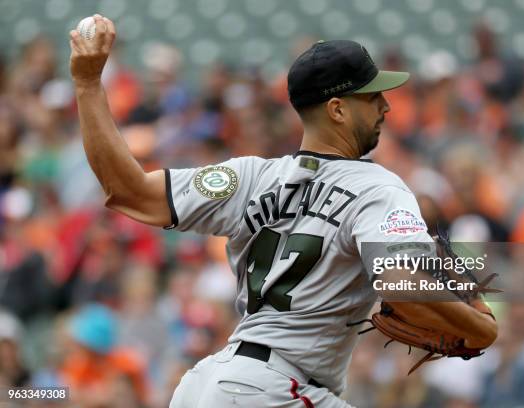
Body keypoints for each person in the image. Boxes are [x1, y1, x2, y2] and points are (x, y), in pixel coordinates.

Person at [69, 15, 497, 408]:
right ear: (338, 109)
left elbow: (129, 191)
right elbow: (397, 279)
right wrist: (481, 328)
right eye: (372, 96)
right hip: (273, 391)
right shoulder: (378, 187)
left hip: (203, 387)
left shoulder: (249, 177)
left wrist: (88, 86)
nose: (385, 105)